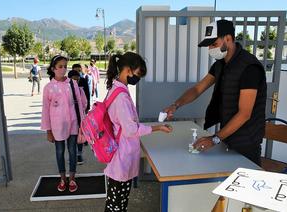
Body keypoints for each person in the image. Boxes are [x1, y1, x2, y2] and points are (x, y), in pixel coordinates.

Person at [164, 20, 267, 166]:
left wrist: (214, 139)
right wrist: (176, 105)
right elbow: (197, 89)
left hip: (246, 142)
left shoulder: (249, 67)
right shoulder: (220, 65)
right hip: (228, 138)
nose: (211, 49)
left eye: (214, 44)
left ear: (228, 39)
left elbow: (244, 114)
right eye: (209, 45)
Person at [104, 52, 172, 212]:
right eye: (138, 74)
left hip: (118, 152)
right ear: (128, 70)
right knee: (117, 205)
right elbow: (131, 129)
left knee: (115, 203)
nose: (138, 79)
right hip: (122, 156)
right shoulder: (122, 97)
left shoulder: (116, 87)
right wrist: (158, 128)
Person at [41, 55, 84, 193]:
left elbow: (80, 105)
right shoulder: (48, 88)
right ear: (53, 69)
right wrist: (48, 130)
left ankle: (72, 178)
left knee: (72, 150)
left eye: (65, 66)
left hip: (72, 124)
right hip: (57, 126)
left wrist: (82, 124)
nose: (63, 69)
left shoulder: (73, 83)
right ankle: (62, 178)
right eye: (60, 66)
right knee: (59, 151)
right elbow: (45, 110)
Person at [67, 69, 88, 165]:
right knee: (75, 137)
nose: (76, 82)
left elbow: (84, 103)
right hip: (74, 118)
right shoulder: (77, 90)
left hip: (76, 118)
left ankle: (76, 155)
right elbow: (84, 104)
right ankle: (76, 155)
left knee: (76, 136)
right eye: (74, 80)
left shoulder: (78, 90)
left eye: (77, 80)